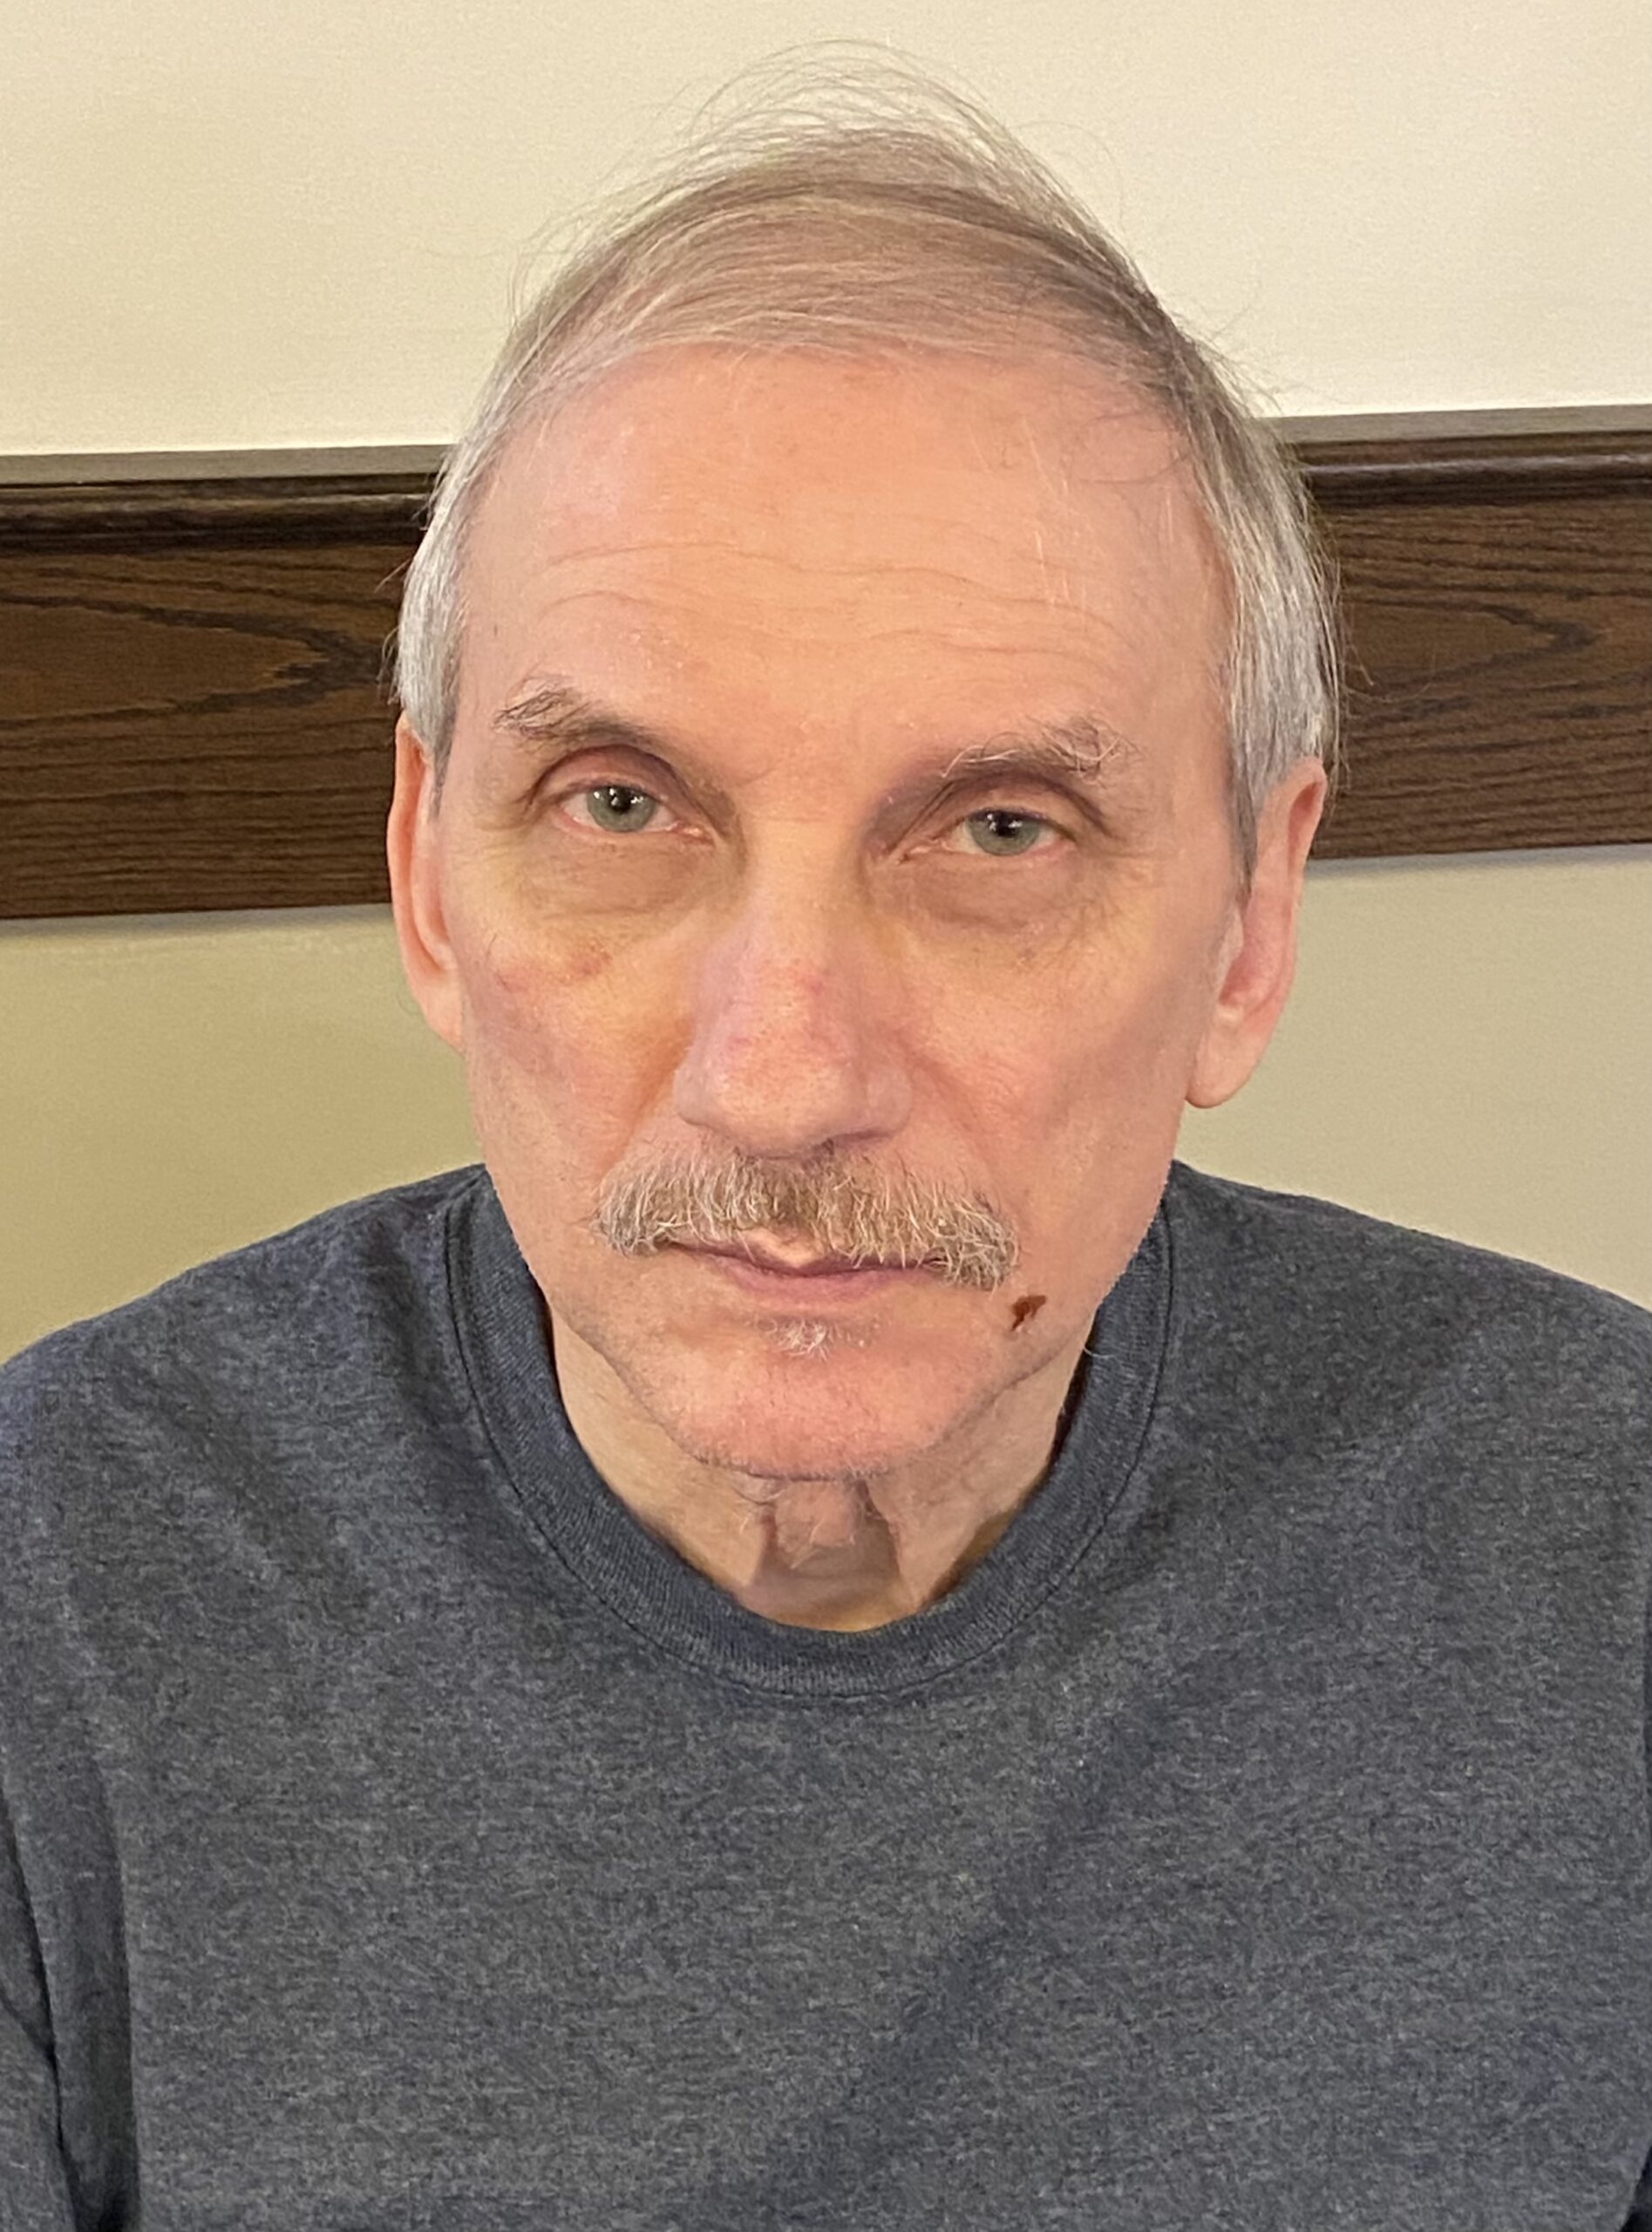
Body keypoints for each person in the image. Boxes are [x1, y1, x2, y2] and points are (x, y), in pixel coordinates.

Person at [3, 60, 1649, 2232]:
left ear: (1251, 925)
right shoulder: (53, 1602)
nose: (781, 1079)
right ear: (425, 875)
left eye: (999, 830)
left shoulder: (1602, 1550)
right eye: (620, 805)